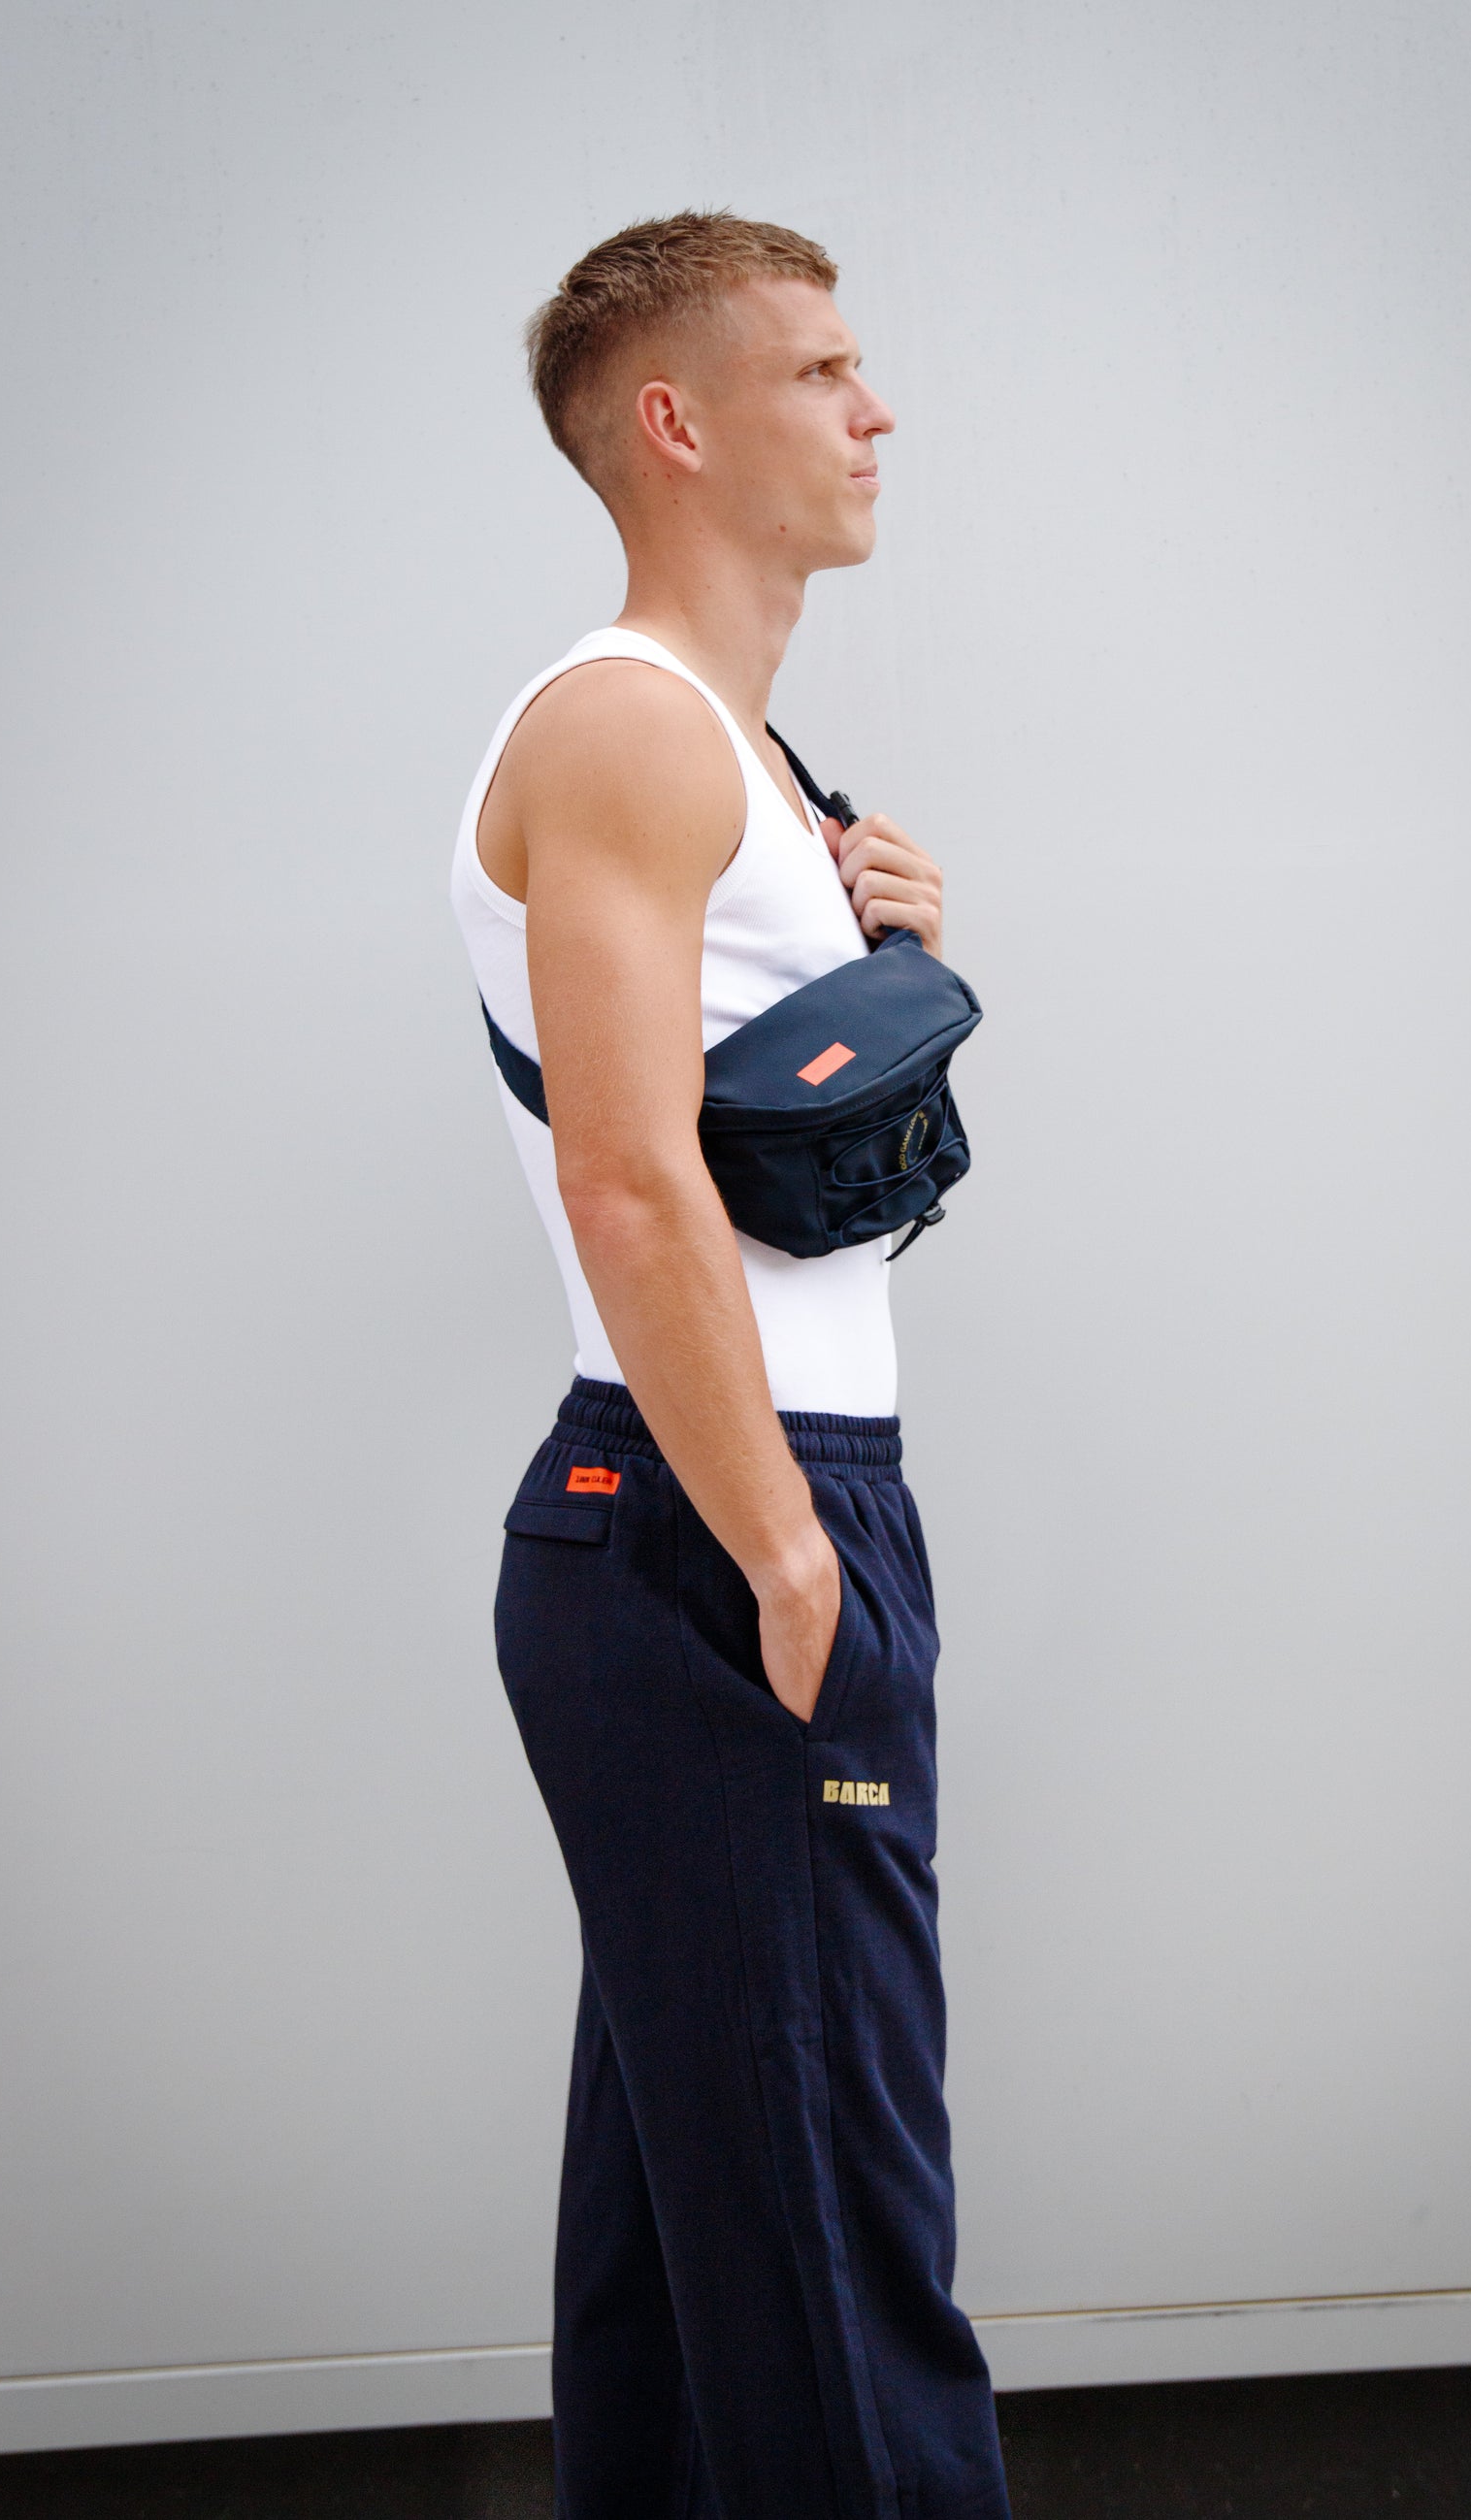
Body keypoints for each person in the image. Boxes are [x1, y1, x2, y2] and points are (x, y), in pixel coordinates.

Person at [450, 211, 1010, 2520]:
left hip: (738, 1494)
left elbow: (776, 1174)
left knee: (696, 2253)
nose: (875, 411)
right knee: (828, 2234)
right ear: (675, 423)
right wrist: (783, 1554)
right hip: (718, 1510)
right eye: (821, 371)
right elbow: (625, 1175)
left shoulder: (754, 759)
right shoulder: (624, 728)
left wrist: (882, 963)